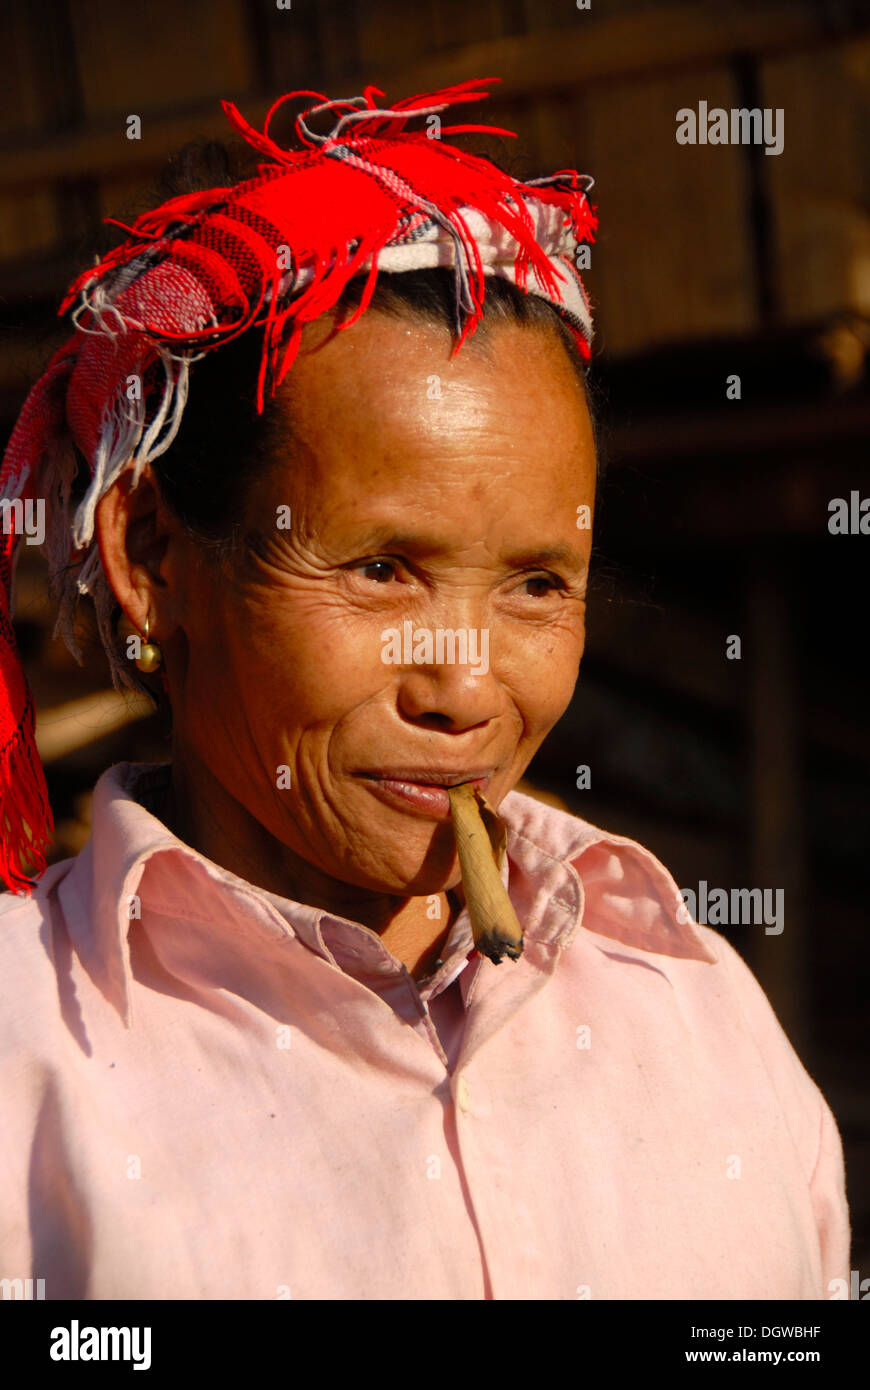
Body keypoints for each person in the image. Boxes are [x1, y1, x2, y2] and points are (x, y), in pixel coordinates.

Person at [0, 79, 850, 1300]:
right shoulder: (31, 1068)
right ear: (152, 559)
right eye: (381, 570)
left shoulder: (701, 1024)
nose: (465, 689)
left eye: (538, 586)